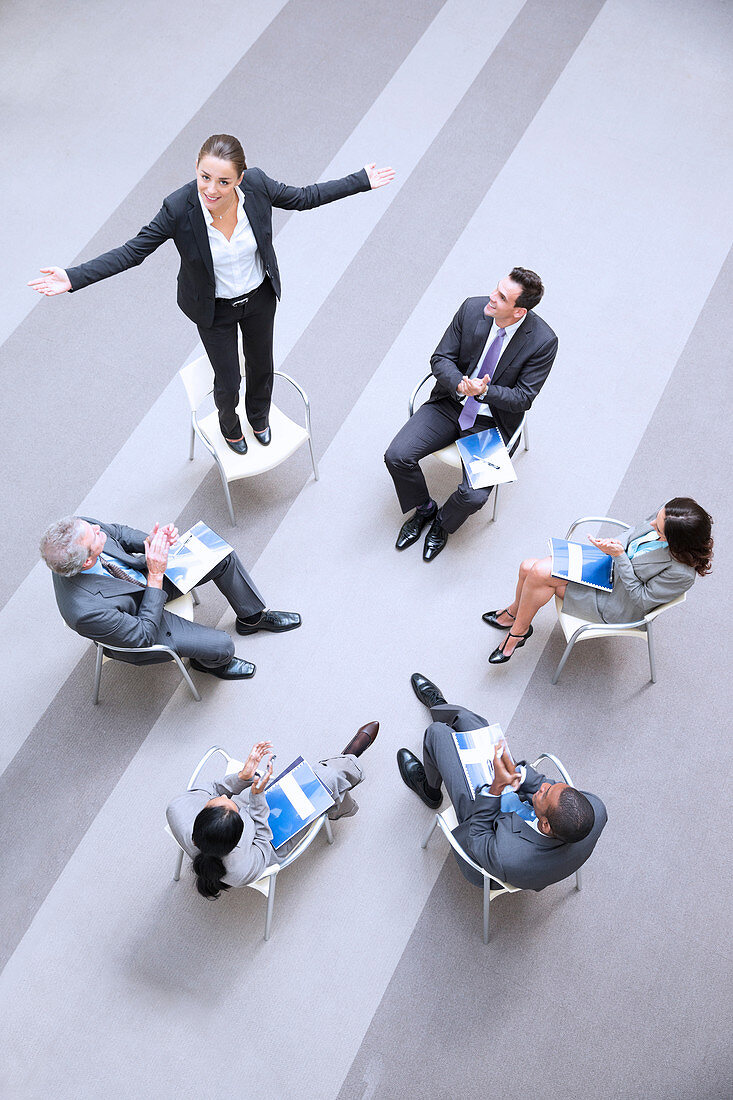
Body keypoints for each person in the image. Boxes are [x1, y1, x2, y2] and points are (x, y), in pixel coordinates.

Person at [28, 134, 394, 454]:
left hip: (258, 298)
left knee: (262, 365)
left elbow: (304, 197)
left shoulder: (258, 186)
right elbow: (132, 251)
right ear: (197, 171)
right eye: (204, 177)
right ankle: (230, 427)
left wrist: (360, 181)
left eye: (223, 181)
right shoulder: (178, 208)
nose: (211, 190)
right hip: (213, 308)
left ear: (241, 178)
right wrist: (72, 277)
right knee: (228, 377)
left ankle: (259, 418)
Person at [384, 269, 557, 561]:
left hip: (490, 422)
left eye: (501, 297)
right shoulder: (472, 308)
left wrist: (484, 393)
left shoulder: (543, 341)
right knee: (397, 456)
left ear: (518, 312)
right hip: (449, 403)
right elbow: (440, 359)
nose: (492, 297)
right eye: (496, 289)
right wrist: (461, 384)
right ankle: (425, 509)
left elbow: (524, 398)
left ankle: (442, 523)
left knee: (474, 495)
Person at [397, 674, 606, 891]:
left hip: (485, 829)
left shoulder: (511, 857)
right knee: (473, 724)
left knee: (437, 734)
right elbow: (545, 788)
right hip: (517, 805)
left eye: (545, 794)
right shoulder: (595, 810)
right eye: (551, 786)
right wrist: (518, 774)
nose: (544, 785)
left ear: (545, 825)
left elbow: (477, 835)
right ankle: (443, 710)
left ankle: (430, 791)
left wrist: (496, 788)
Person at [40, 515, 302, 680]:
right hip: (139, 619)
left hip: (146, 577)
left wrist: (152, 541)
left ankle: (251, 618)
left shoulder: (80, 529)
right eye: (94, 534)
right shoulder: (84, 612)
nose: (99, 528)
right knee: (224, 647)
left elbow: (116, 532)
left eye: (92, 527)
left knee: (220, 556)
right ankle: (206, 663)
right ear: (86, 561)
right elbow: (141, 636)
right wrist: (155, 574)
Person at [482, 497, 714, 664]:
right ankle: (515, 615)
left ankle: (518, 631)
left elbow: (642, 600)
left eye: (659, 529)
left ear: (677, 541)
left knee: (539, 572)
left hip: (615, 601)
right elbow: (634, 532)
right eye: (657, 517)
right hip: (606, 566)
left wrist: (620, 556)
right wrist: (614, 544)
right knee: (528, 567)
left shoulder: (681, 574)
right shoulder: (667, 517)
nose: (653, 524)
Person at [166, 722, 379, 896]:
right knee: (326, 781)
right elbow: (262, 839)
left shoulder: (178, 809)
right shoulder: (240, 870)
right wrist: (257, 798)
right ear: (237, 839)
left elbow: (215, 789)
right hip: (269, 839)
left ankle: (337, 786)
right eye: (228, 803)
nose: (223, 796)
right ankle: (347, 764)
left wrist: (242, 778)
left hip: (248, 811)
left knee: (317, 784)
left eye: (218, 801)